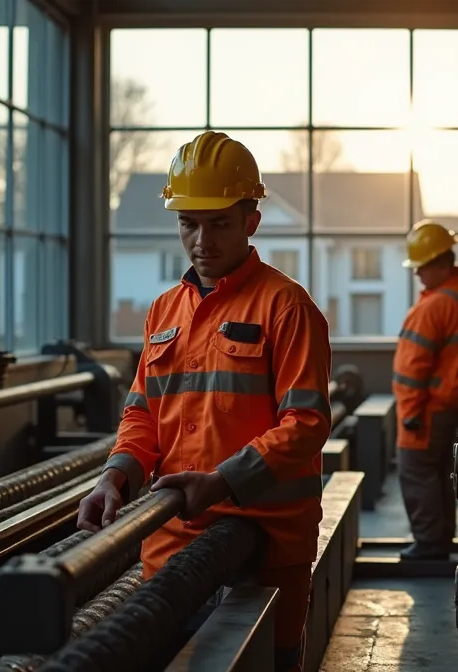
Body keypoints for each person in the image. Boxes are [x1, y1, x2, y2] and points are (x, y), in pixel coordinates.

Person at [76, 131, 332, 672]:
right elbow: (143, 411)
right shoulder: (164, 311)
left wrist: (223, 480)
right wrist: (116, 475)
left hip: (266, 542)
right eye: (189, 223)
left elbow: (306, 422)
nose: (202, 240)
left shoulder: (287, 308)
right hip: (174, 541)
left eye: (218, 223)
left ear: (250, 221)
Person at [391, 220, 458, 561]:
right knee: (437, 473)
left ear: (440, 263)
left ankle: (430, 544)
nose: (418, 275)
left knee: (416, 471)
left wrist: (410, 413)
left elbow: (412, 369)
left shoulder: (434, 306)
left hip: (426, 408)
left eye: (422, 267)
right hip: (454, 404)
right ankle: (439, 537)